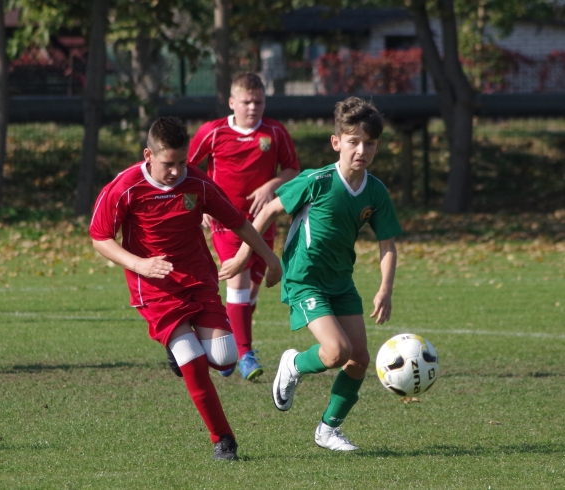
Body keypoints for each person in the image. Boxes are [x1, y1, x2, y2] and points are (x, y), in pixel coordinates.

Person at [90, 117, 282, 461]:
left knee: (224, 357)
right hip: (154, 287)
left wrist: (269, 258)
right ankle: (223, 439)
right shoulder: (126, 186)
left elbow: (238, 222)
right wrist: (139, 264)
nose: (177, 171)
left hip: (197, 278)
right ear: (148, 155)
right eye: (169, 164)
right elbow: (100, 237)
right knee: (192, 360)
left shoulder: (198, 182)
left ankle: (178, 351)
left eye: (183, 162)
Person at [219, 97, 402, 451]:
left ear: (378, 146)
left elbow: (387, 245)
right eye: (353, 141)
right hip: (305, 278)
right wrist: (245, 255)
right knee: (335, 351)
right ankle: (293, 365)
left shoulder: (376, 192)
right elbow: (268, 211)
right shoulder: (316, 181)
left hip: (341, 281)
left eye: (369, 143)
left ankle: (328, 430)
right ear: (337, 142)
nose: (361, 149)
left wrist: (385, 289)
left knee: (359, 358)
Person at [188, 73, 300, 381]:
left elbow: (293, 168)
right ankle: (244, 353)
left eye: (259, 101)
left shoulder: (275, 132)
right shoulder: (213, 132)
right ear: (232, 102)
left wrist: (272, 186)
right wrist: (200, 205)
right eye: (247, 102)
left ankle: (224, 345)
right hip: (226, 222)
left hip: (263, 221)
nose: (253, 107)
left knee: (251, 291)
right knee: (237, 281)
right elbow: (185, 168)